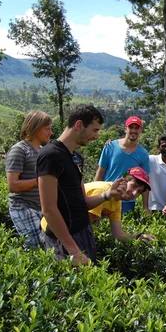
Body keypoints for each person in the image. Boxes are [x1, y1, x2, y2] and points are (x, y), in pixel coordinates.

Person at [37, 104, 124, 266]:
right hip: (64, 241)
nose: (96, 136)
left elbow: (81, 202)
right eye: (95, 130)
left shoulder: (75, 157)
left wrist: (107, 194)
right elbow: (48, 209)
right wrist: (73, 250)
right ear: (79, 125)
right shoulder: (50, 156)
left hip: (83, 233)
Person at [5, 110, 53, 249]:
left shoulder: (43, 151)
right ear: (36, 129)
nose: (51, 132)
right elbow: (13, 185)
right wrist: (41, 180)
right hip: (24, 207)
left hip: (41, 208)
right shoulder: (19, 150)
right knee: (36, 248)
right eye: (47, 129)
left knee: (48, 248)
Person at [95, 116, 150, 213]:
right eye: (131, 127)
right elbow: (100, 172)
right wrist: (94, 196)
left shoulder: (143, 153)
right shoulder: (110, 147)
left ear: (140, 130)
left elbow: (144, 183)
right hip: (107, 194)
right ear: (125, 129)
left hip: (127, 200)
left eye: (136, 128)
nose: (133, 131)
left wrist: (145, 206)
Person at [84, 167, 154, 242]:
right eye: (134, 186)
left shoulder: (117, 201)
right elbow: (83, 226)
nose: (134, 193)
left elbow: (118, 234)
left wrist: (138, 237)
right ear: (124, 179)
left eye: (139, 191)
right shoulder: (102, 191)